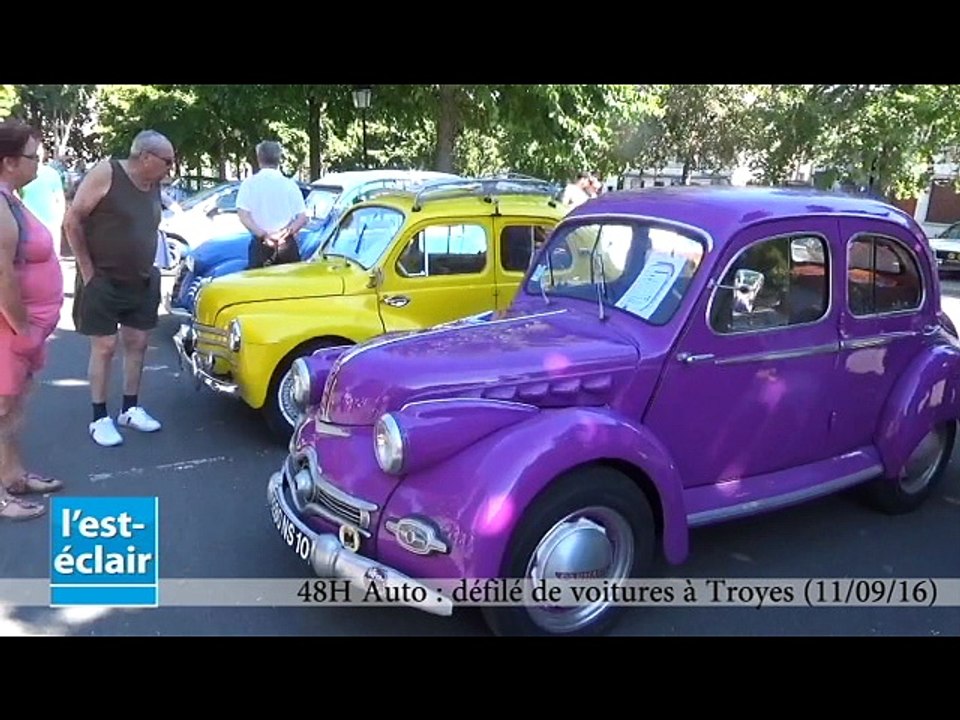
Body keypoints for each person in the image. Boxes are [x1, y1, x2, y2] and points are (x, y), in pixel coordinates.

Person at [63, 129, 174, 447]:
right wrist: (88, 272)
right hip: (103, 279)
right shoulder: (107, 172)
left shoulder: (153, 184)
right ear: (146, 157)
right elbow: (73, 220)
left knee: (138, 343)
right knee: (105, 347)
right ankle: (99, 417)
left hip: (140, 279)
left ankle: (130, 409)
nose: (171, 167)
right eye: (167, 161)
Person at [0, 120, 66, 519]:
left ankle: (13, 475)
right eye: (32, 157)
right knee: (2, 410)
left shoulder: (11, 197)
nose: (38, 164)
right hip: (10, 334)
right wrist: (23, 329)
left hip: (24, 333)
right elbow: (2, 276)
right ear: (8, 161)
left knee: (15, 408)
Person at [237, 140, 307, 269]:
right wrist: (286, 233)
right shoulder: (290, 185)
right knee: (290, 287)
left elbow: (243, 215)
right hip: (286, 244)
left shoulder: (249, 184)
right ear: (279, 159)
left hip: (261, 244)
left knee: (259, 286)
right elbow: (302, 217)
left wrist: (263, 234)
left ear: (259, 158)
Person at [19, 140, 66, 256]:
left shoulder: (52, 174)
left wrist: (58, 221)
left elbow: (60, 199)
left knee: (53, 257)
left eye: (39, 150)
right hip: (28, 225)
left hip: (50, 223)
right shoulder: (22, 175)